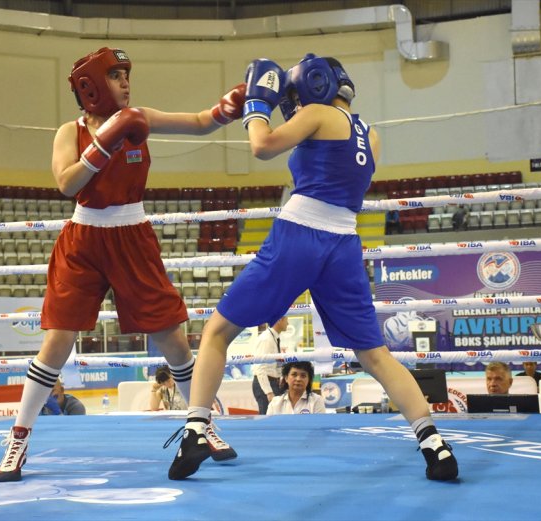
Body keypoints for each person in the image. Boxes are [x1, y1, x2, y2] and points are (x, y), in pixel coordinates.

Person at [168, 55, 458, 482]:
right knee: (375, 355)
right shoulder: (371, 135)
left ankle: (195, 429)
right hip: (344, 243)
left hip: (300, 233)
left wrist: (257, 104)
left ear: (314, 86)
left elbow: (262, 146)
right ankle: (434, 444)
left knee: (216, 331)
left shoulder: (319, 114)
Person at [0, 47, 244, 482]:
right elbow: (66, 183)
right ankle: (18, 436)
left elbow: (202, 123)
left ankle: (202, 425)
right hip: (83, 238)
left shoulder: (141, 116)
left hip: (132, 234)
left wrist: (233, 104)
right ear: (91, 86)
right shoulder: (67, 132)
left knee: (172, 339)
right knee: (57, 341)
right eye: (115, 75)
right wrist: (107, 139)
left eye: (126, 74)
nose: (126, 82)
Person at [251, 316, 288, 414]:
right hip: (266, 383)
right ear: (279, 320)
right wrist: (269, 392)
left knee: (276, 418)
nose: (288, 323)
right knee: (267, 419)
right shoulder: (266, 339)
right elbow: (260, 367)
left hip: (273, 382)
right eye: (286, 320)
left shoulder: (274, 338)